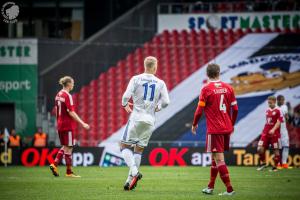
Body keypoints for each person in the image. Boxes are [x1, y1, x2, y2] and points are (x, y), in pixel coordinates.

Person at [120, 56, 170, 190]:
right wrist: (158, 107)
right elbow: (166, 102)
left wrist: (125, 104)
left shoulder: (136, 79)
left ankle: (135, 172)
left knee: (124, 146)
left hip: (136, 117)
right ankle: (129, 180)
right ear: (155, 67)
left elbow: (126, 96)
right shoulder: (160, 82)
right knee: (139, 149)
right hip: (150, 120)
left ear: (144, 65)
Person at [191, 63, 238, 196]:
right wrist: (232, 124)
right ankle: (210, 186)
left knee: (219, 159)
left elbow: (199, 110)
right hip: (227, 128)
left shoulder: (206, 89)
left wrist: (194, 124)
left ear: (207, 74)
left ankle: (230, 189)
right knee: (214, 157)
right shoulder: (229, 88)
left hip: (215, 129)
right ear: (219, 72)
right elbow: (235, 109)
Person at [49, 76, 90, 178]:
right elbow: (71, 112)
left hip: (60, 124)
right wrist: (82, 123)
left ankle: (54, 164)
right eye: (72, 83)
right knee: (69, 147)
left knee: (65, 146)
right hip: (67, 125)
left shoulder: (58, 94)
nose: (73, 85)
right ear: (68, 84)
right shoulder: (67, 96)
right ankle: (68, 172)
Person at [257, 96, 283, 172]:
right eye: (268, 103)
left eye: (270, 103)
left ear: (274, 101)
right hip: (265, 133)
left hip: (274, 133)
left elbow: (279, 122)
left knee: (276, 150)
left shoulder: (278, 110)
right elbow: (268, 121)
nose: (269, 104)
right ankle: (264, 163)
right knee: (259, 149)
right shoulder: (267, 110)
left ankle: (275, 167)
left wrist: (273, 129)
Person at [277, 95, 292, 169]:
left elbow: (286, 116)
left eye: (283, 100)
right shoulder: (275, 107)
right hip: (277, 129)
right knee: (278, 147)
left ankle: (284, 163)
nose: (283, 101)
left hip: (283, 129)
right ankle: (278, 163)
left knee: (286, 145)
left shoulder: (285, 106)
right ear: (278, 100)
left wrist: (287, 117)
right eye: (281, 100)